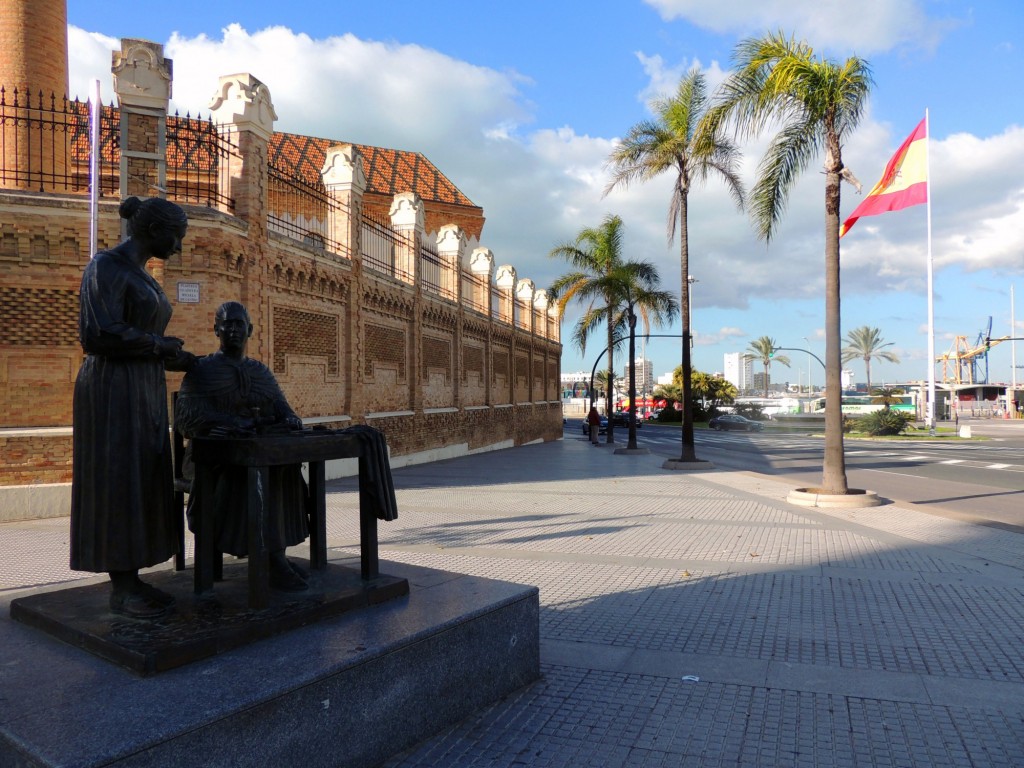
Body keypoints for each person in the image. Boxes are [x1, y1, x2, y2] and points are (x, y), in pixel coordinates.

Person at [70, 196, 194, 619]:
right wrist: (158, 345)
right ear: (154, 231)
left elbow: (142, 335)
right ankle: (121, 588)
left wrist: (182, 358)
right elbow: (98, 332)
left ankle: (133, 578)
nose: (178, 247)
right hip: (111, 388)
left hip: (142, 385)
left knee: (142, 473)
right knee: (118, 476)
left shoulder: (143, 276)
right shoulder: (106, 267)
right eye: (175, 237)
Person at [174, 301, 311, 592]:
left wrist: (289, 419)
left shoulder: (260, 372)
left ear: (249, 330)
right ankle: (272, 560)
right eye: (227, 324)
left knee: (285, 470)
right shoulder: (202, 370)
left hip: (255, 454)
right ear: (216, 330)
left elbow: (283, 409)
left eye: (239, 324)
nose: (233, 330)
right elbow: (184, 419)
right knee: (250, 476)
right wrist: (228, 421)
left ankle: (275, 553)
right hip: (209, 459)